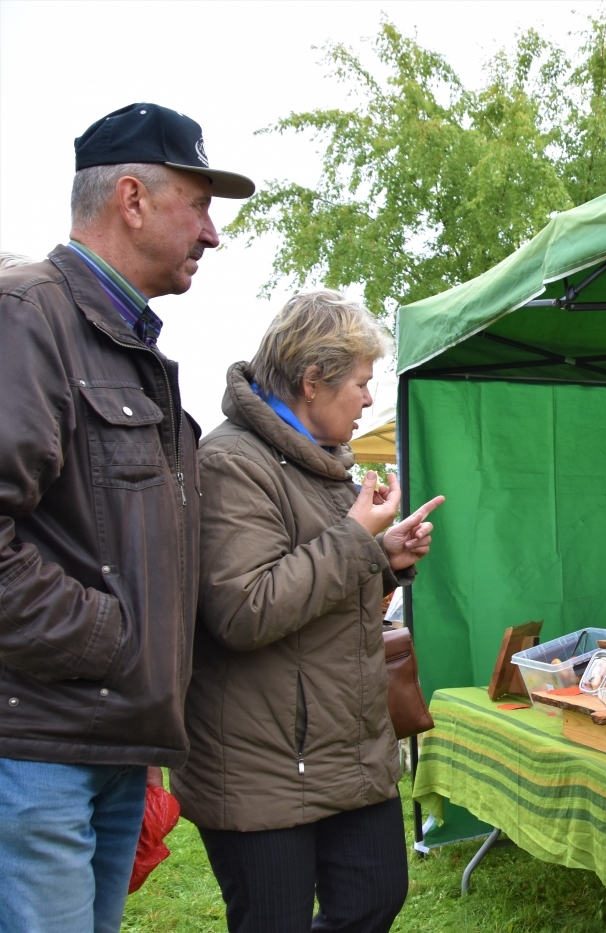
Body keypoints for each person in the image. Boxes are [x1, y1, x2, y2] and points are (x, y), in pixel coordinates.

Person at [0, 104, 253, 933]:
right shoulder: (28, 316)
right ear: (133, 198)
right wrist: (113, 640)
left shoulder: (130, 346)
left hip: (109, 746)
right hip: (38, 748)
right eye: (200, 203)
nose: (212, 234)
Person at [170, 290, 444, 933]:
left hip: (344, 747)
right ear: (312, 382)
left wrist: (382, 554)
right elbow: (242, 609)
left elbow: (320, 585)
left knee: (374, 898)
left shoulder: (323, 466)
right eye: (360, 382)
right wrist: (355, 540)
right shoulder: (231, 463)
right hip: (261, 759)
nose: (369, 399)